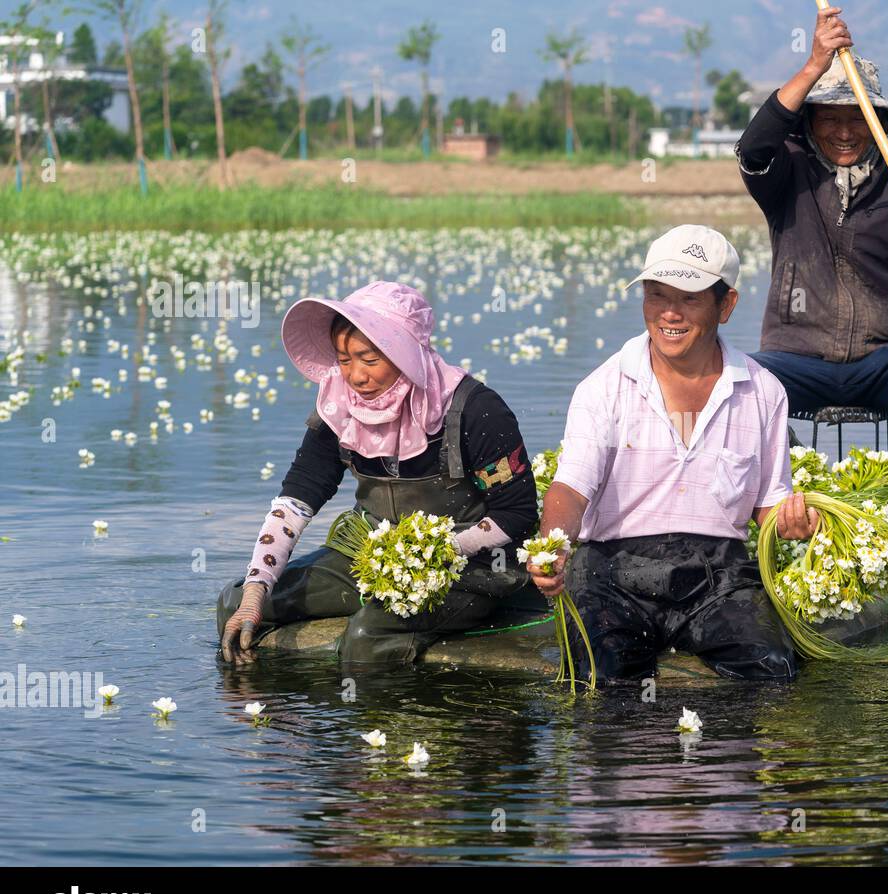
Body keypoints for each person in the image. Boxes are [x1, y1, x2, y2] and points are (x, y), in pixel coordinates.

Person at [525, 225, 820, 684]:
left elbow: (769, 503)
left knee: (771, 671)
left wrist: (793, 523)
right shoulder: (603, 388)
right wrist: (553, 544)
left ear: (727, 305)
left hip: (718, 576)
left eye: (689, 299)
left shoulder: (762, 390)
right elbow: (570, 488)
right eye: (657, 295)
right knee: (604, 677)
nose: (669, 314)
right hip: (611, 572)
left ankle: (727, 758)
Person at [216, 281, 537, 667]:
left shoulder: (475, 410)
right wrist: (256, 592)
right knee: (234, 602)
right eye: (344, 359)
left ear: (405, 356)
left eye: (369, 360)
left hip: (469, 566)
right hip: (370, 554)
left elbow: (516, 514)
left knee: (368, 637)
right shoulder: (339, 407)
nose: (355, 376)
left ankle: (397, 721)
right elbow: (295, 502)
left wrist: (430, 554)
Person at [736, 5, 888, 479]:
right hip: (799, 358)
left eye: (857, 119)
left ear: (878, 123)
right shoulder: (787, 167)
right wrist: (814, 66)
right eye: (830, 118)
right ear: (809, 121)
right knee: (737, 381)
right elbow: (753, 148)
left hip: (886, 361)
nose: (844, 132)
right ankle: (798, 483)